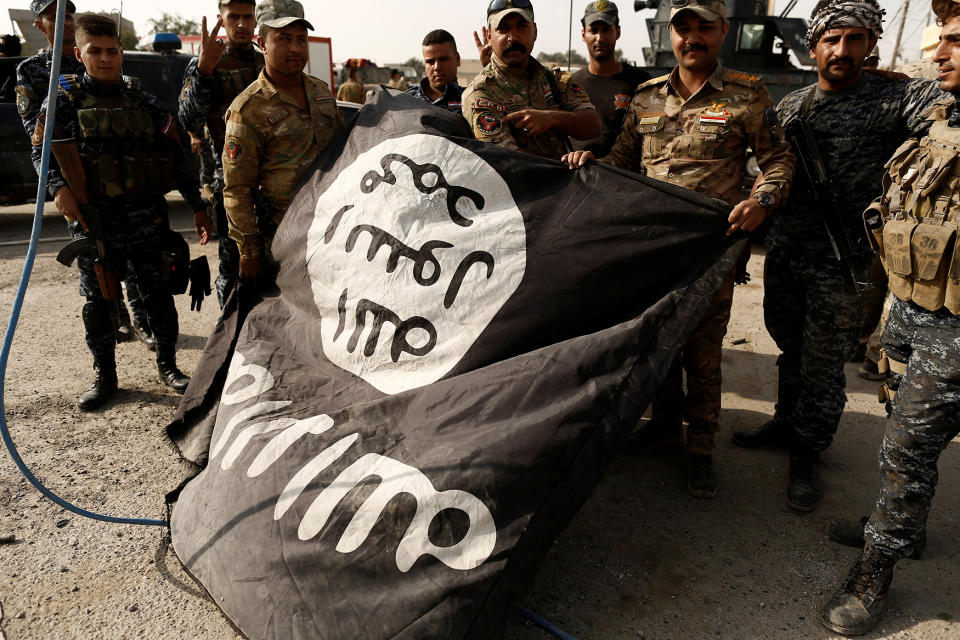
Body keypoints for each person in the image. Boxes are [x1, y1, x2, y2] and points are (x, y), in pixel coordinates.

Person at [563, 0, 796, 498]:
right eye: (683, 28)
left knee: (702, 355)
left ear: (722, 31)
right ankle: (664, 425)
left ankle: (701, 449)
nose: (692, 37)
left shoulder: (746, 94)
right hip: (655, 251)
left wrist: (763, 199)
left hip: (711, 251)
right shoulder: (646, 98)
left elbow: (778, 161)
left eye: (703, 28)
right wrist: (589, 157)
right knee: (657, 344)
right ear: (672, 36)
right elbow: (623, 159)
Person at [731, 0, 948, 513]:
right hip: (788, 251)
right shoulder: (791, 107)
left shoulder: (895, 98)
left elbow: (942, 108)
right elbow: (768, 167)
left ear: (871, 44)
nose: (843, 50)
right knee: (789, 346)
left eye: (855, 39)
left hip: (845, 259)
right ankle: (787, 422)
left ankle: (809, 451)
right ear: (814, 45)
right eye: (832, 39)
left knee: (826, 364)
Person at [818, 0, 960, 633]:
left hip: (954, 326)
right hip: (912, 303)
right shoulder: (945, 114)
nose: (938, 53)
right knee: (897, 419)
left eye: (955, 41)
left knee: (908, 448)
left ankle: (876, 570)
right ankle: (906, 528)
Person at [31, 13, 208, 409]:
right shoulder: (61, 103)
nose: (106, 58)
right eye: (96, 51)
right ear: (79, 53)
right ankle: (105, 376)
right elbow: (40, 154)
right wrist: (59, 190)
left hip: (146, 217)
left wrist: (198, 206)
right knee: (99, 304)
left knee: (158, 295)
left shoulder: (145, 102)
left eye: (112, 51)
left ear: (121, 52)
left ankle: (168, 365)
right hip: (95, 221)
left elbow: (176, 158)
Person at [17, 0, 154, 348]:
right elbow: (39, 137)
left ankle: (143, 319)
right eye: (53, 15)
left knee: (137, 253)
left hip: (121, 178)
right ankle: (114, 318)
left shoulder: (101, 54)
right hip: (78, 180)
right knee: (96, 254)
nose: (64, 20)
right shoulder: (33, 72)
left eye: (68, 13)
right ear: (39, 24)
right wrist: (57, 186)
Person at [222, 0, 345, 283]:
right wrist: (249, 252)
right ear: (262, 43)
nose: (295, 48)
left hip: (333, 230)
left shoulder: (321, 92)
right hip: (283, 240)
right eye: (284, 39)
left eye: (301, 39)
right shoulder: (247, 109)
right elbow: (237, 189)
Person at [179, 0, 262, 308]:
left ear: (256, 22)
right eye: (234, 17)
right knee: (233, 266)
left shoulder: (267, 62)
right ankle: (229, 340)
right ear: (221, 20)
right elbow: (188, 120)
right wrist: (203, 71)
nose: (241, 24)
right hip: (229, 181)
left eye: (247, 17)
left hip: (270, 180)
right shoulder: (206, 63)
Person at [462, 0, 601, 160]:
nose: (513, 37)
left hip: (568, 181)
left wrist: (553, 118)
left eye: (522, 26)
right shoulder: (481, 91)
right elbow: (504, 158)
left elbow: (593, 126)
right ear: (489, 36)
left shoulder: (554, 78)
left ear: (534, 31)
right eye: (503, 29)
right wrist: (566, 167)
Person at [570, 1, 650, 155]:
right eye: (593, 30)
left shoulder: (640, 83)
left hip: (624, 172)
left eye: (606, 30)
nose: (599, 38)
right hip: (581, 173)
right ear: (583, 35)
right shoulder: (571, 84)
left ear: (618, 32)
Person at [405, 29, 464, 113]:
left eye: (443, 59)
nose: (437, 67)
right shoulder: (406, 101)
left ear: (457, 59)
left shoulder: (471, 99)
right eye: (430, 62)